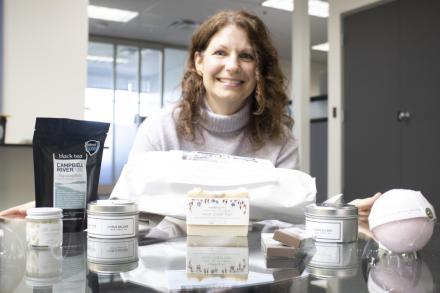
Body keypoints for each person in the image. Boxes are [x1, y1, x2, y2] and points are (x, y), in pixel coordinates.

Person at [0, 10, 379, 218]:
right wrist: (54, 207)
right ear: (199, 61)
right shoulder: (161, 128)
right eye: (220, 53)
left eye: (247, 56)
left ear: (259, 69)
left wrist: (341, 213)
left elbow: (294, 217)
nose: (233, 66)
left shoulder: (279, 139)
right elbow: (129, 208)